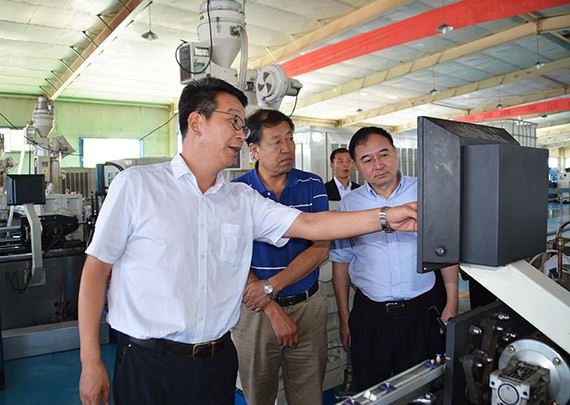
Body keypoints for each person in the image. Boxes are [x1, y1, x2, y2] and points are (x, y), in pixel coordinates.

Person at [77, 77, 418, 405]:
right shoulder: (137, 186)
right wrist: (90, 360)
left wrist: (387, 216)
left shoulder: (240, 199)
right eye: (234, 122)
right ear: (196, 122)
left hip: (217, 360)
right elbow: (95, 270)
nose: (242, 134)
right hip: (150, 363)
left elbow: (311, 224)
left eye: (243, 125)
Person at [331, 126, 459, 391]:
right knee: (370, 389)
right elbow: (341, 263)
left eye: (384, 154)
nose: (378, 165)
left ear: (395, 152)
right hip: (370, 317)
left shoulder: (425, 191)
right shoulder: (350, 205)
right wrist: (345, 318)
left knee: (422, 389)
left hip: (422, 312)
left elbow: (444, 250)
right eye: (367, 160)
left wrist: (452, 301)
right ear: (356, 165)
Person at [232, 109, 329, 404]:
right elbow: (232, 258)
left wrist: (271, 286)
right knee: (259, 395)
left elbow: (321, 248)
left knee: (308, 395)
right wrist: (271, 307)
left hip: (307, 307)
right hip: (256, 313)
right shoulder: (236, 193)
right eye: (276, 141)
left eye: (290, 139)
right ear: (254, 150)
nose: (287, 148)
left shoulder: (312, 185)